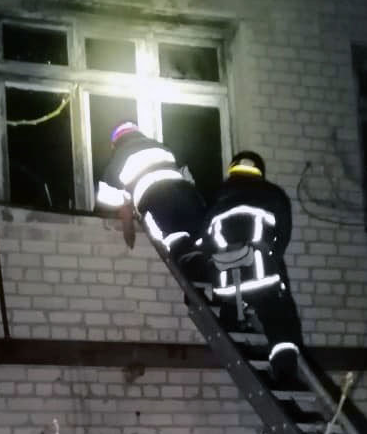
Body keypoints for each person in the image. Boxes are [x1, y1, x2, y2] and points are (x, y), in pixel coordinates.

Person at [200, 151, 304, 380]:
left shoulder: (216, 199)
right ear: (259, 172)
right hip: (261, 278)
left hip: (225, 284)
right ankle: (285, 369)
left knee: (229, 305)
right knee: (280, 316)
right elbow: (283, 236)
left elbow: (204, 242)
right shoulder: (273, 195)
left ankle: (232, 322)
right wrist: (271, 259)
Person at [95, 121, 205, 276]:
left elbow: (112, 201)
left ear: (114, 144)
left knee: (172, 243)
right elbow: (188, 177)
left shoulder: (117, 160)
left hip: (155, 201)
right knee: (198, 238)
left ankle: (190, 272)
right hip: (187, 195)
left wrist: (128, 226)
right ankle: (203, 272)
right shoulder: (163, 148)